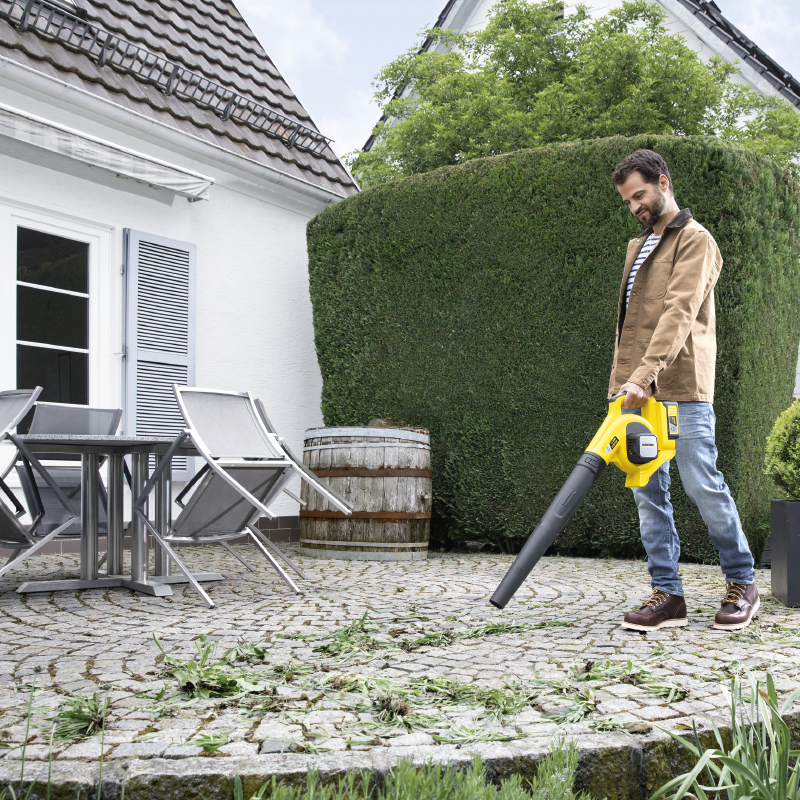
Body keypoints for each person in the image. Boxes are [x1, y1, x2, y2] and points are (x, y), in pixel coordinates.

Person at [609, 149, 758, 632]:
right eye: (628, 201)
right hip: (634, 390)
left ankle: (742, 581)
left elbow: (679, 311)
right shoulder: (637, 247)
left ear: (663, 182)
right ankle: (668, 594)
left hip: (681, 385)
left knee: (702, 485)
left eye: (640, 195)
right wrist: (623, 383)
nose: (636, 206)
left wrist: (645, 374)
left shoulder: (696, 241)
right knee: (648, 493)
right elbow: (631, 325)